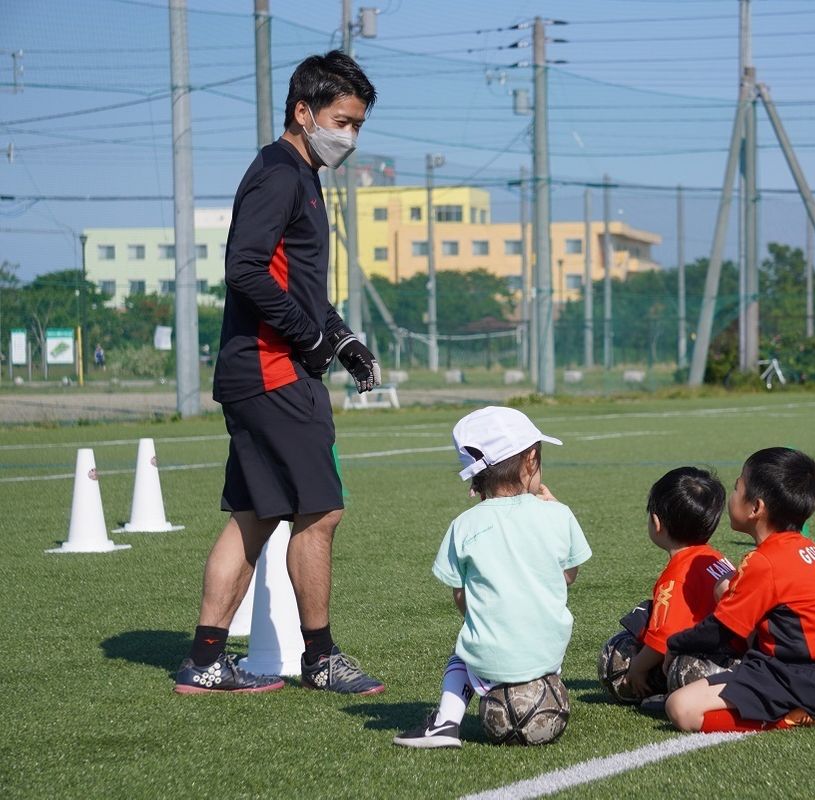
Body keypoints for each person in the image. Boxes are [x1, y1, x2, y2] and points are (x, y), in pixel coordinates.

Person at [175, 52, 384, 695]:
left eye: (357, 125)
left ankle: (207, 659)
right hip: (271, 372)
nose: (349, 136)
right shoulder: (279, 174)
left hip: (262, 369)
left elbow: (297, 282)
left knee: (254, 514)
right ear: (304, 112)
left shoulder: (299, 174)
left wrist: (342, 340)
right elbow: (246, 270)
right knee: (320, 513)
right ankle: (319, 657)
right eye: (341, 121)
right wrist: (309, 336)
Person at [394, 406, 592, 749]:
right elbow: (569, 576)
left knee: (461, 656)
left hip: (488, 659)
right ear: (531, 460)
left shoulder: (463, 526)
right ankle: (545, 689)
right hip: (549, 656)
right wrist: (556, 508)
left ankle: (446, 723)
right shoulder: (558, 514)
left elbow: (461, 597)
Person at [664, 448, 815, 733]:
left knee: (680, 708)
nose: (732, 495)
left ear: (755, 508)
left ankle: (786, 716)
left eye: (738, 487)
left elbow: (721, 632)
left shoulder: (764, 561)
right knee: (726, 588)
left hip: (793, 677)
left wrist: (675, 645)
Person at [620, 467, 736, 700]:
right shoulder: (716, 557)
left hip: (716, 661)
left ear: (656, 522)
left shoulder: (675, 577)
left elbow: (664, 638)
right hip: (741, 651)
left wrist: (638, 669)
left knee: (675, 664)